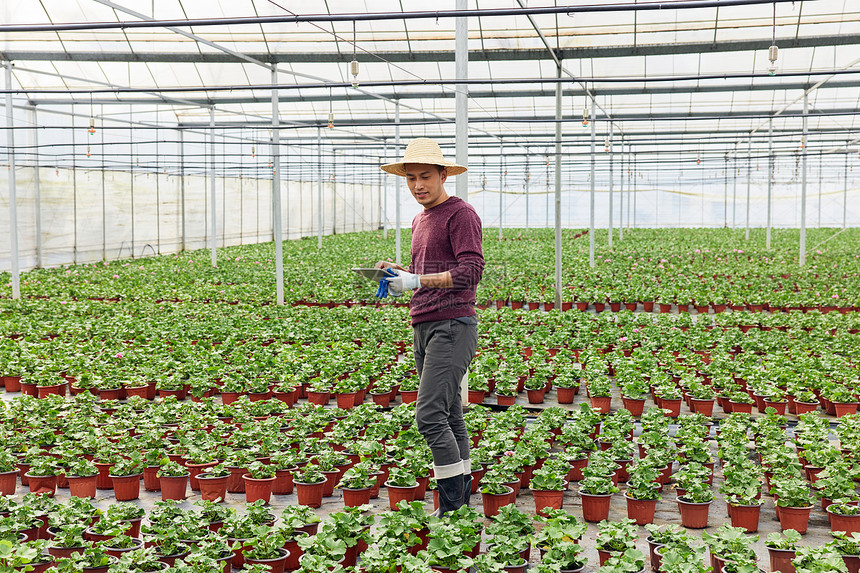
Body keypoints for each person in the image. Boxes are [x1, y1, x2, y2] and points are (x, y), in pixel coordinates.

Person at [375, 137, 484, 515]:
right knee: (450, 412)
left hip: (453, 324)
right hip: (423, 323)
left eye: (425, 177)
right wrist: (402, 274)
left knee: (429, 415)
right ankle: (461, 504)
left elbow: (471, 272)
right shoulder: (420, 219)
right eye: (411, 178)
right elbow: (427, 273)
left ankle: (452, 508)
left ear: (442, 175)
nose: (418, 185)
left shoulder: (461, 214)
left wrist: (418, 281)